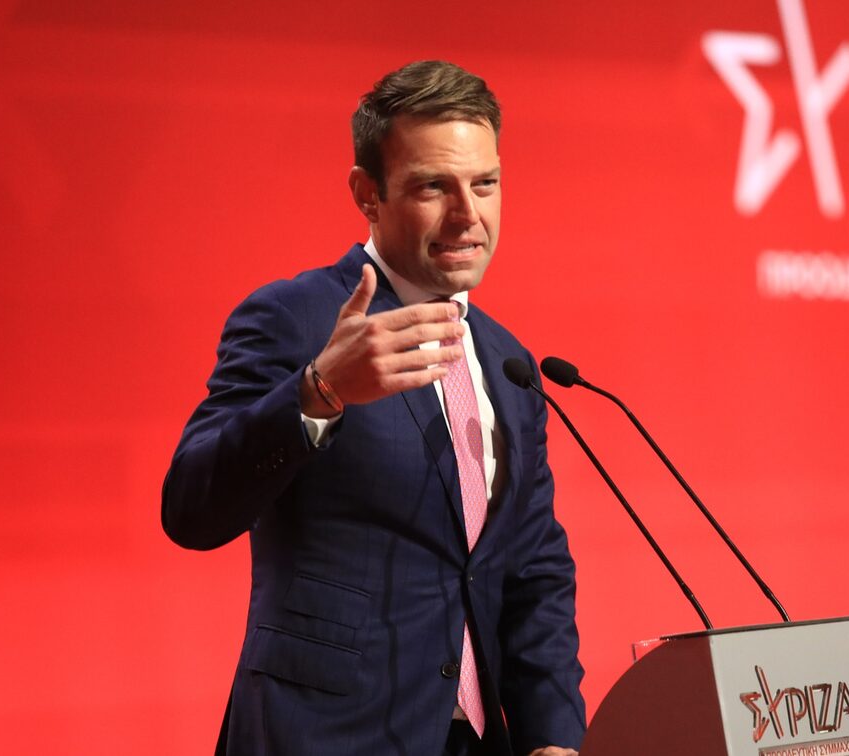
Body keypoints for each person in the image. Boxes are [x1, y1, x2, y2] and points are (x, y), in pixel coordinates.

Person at [161, 61, 585, 756]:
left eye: (485, 183)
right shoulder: (296, 320)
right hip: (321, 737)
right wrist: (318, 391)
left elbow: (531, 568)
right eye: (433, 186)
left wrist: (553, 736)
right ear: (367, 194)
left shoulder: (510, 364)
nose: (468, 215)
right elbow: (190, 510)